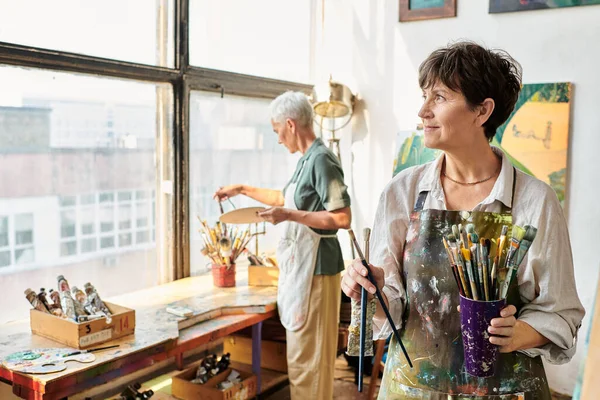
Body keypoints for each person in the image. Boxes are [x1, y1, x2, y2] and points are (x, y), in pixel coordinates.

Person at [341, 41, 585, 399]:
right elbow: (390, 310)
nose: (423, 110)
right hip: (413, 389)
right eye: (424, 95)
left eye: (439, 97)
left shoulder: (534, 200)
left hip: (506, 390)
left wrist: (520, 332)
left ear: (482, 110)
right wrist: (371, 291)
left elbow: (561, 313)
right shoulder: (402, 192)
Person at [214, 91, 351, 399]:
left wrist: (288, 215)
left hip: (317, 268)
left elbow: (342, 218)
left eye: (276, 131)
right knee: (302, 358)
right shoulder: (306, 160)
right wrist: (243, 189)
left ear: (290, 124)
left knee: (310, 360)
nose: (277, 139)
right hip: (304, 268)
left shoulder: (322, 160)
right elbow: (283, 199)